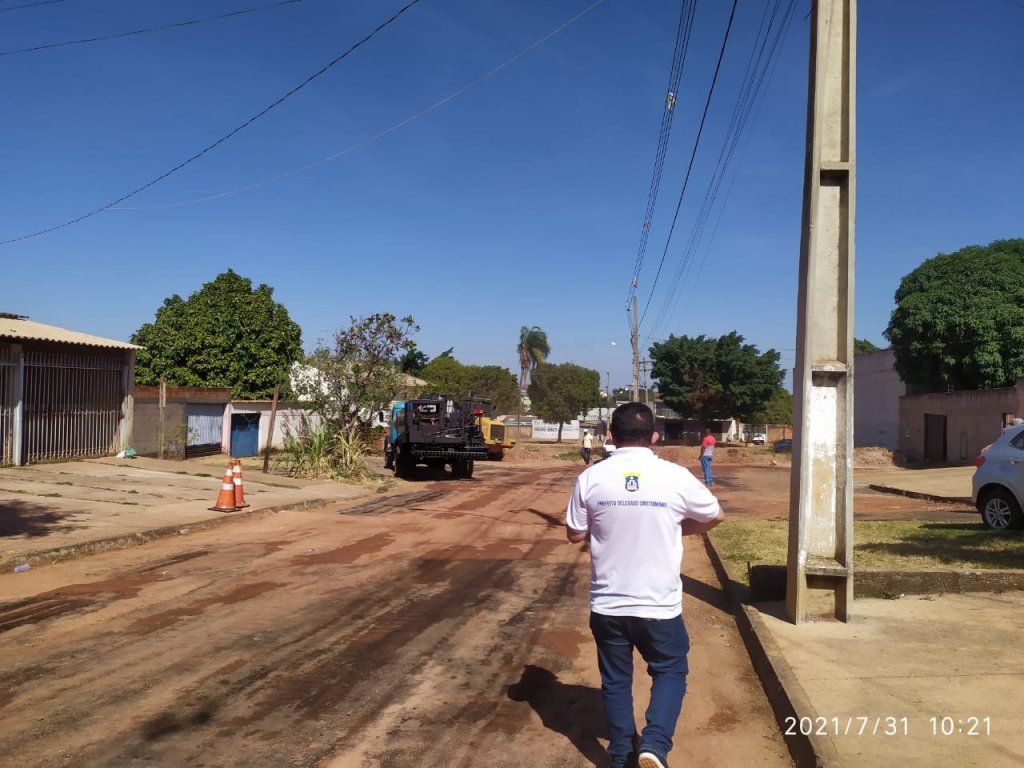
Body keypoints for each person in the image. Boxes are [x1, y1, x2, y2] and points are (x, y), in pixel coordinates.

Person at [565, 403, 724, 768]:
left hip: (608, 605)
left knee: (616, 681)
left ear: (610, 436)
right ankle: (654, 744)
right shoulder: (675, 476)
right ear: (654, 436)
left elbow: (574, 533)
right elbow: (716, 515)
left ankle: (622, 756)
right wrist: (679, 528)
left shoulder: (591, 477)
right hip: (659, 606)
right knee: (670, 670)